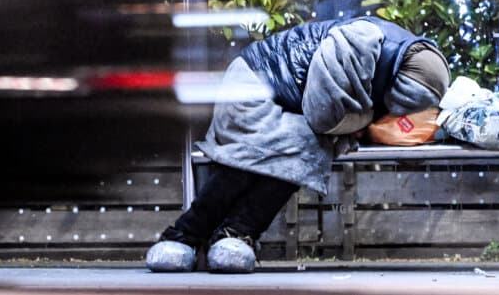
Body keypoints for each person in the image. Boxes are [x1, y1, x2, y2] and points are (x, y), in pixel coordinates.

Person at [147, 16, 450, 273]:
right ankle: (186, 234)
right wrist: (366, 121)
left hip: (287, 103)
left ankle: (235, 232)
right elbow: (322, 115)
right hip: (257, 85)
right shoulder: (362, 40)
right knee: (250, 160)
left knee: (300, 156)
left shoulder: (395, 58)